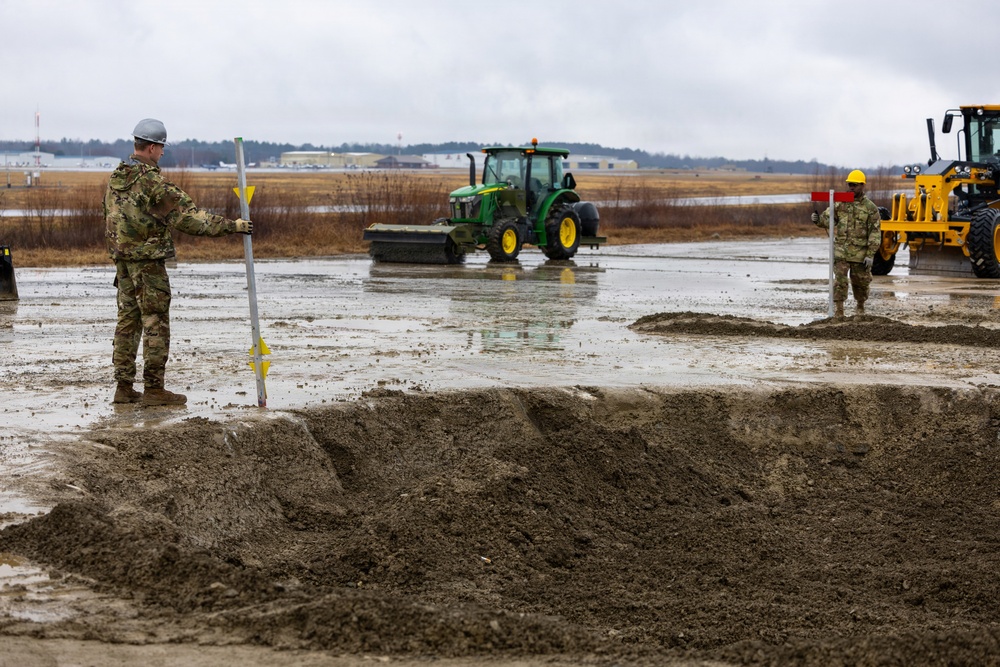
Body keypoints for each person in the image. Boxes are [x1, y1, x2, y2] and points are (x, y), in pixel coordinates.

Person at [104, 118, 252, 406]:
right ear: (149, 148)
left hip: (123, 262)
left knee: (127, 322)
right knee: (155, 323)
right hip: (147, 264)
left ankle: (123, 387)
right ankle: (154, 389)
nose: (161, 153)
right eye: (160, 148)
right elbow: (190, 218)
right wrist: (232, 226)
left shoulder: (116, 178)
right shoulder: (152, 183)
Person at [811, 170, 881, 318]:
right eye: (850, 184)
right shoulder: (840, 204)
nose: (851, 187)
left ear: (862, 186)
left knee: (860, 283)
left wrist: (870, 254)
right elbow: (828, 220)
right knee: (840, 282)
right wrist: (817, 219)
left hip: (860, 254)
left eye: (854, 185)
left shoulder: (870, 208)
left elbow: (875, 233)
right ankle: (839, 311)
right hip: (841, 251)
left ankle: (860, 308)